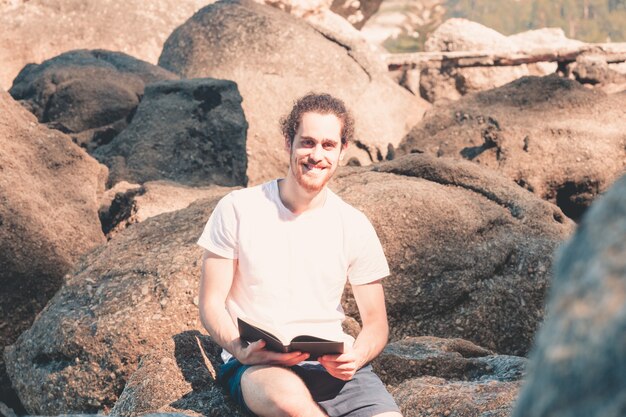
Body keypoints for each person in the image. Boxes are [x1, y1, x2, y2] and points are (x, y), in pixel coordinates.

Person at [197, 92, 402, 417]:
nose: (316, 155)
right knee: (295, 409)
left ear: (342, 150)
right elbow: (210, 302)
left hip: (334, 369)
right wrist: (238, 348)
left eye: (328, 145)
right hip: (261, 365)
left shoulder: (354, 224)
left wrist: (356, 357)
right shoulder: (238, 208)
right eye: (307, 142)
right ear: (288, 142)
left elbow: (376, 323)